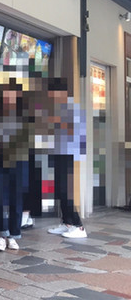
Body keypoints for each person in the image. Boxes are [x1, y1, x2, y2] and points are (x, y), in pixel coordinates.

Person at [0, 80, 30, 251]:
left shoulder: (25, 115)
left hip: (19, 161)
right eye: (6, 92)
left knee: (16, 200)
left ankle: (14, 235)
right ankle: (1, 235)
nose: (8, 96)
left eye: (11, 92)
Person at [43, 79, 87, 238]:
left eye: (52, 93)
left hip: (67, 154)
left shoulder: (71, 108)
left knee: (65, 191)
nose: (51, 96)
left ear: (61, 92)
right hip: (58, 153)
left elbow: (76, 131)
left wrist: (54, 121)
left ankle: (78, 226)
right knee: (60, 191)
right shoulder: (59, 108)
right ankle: (67, 223)